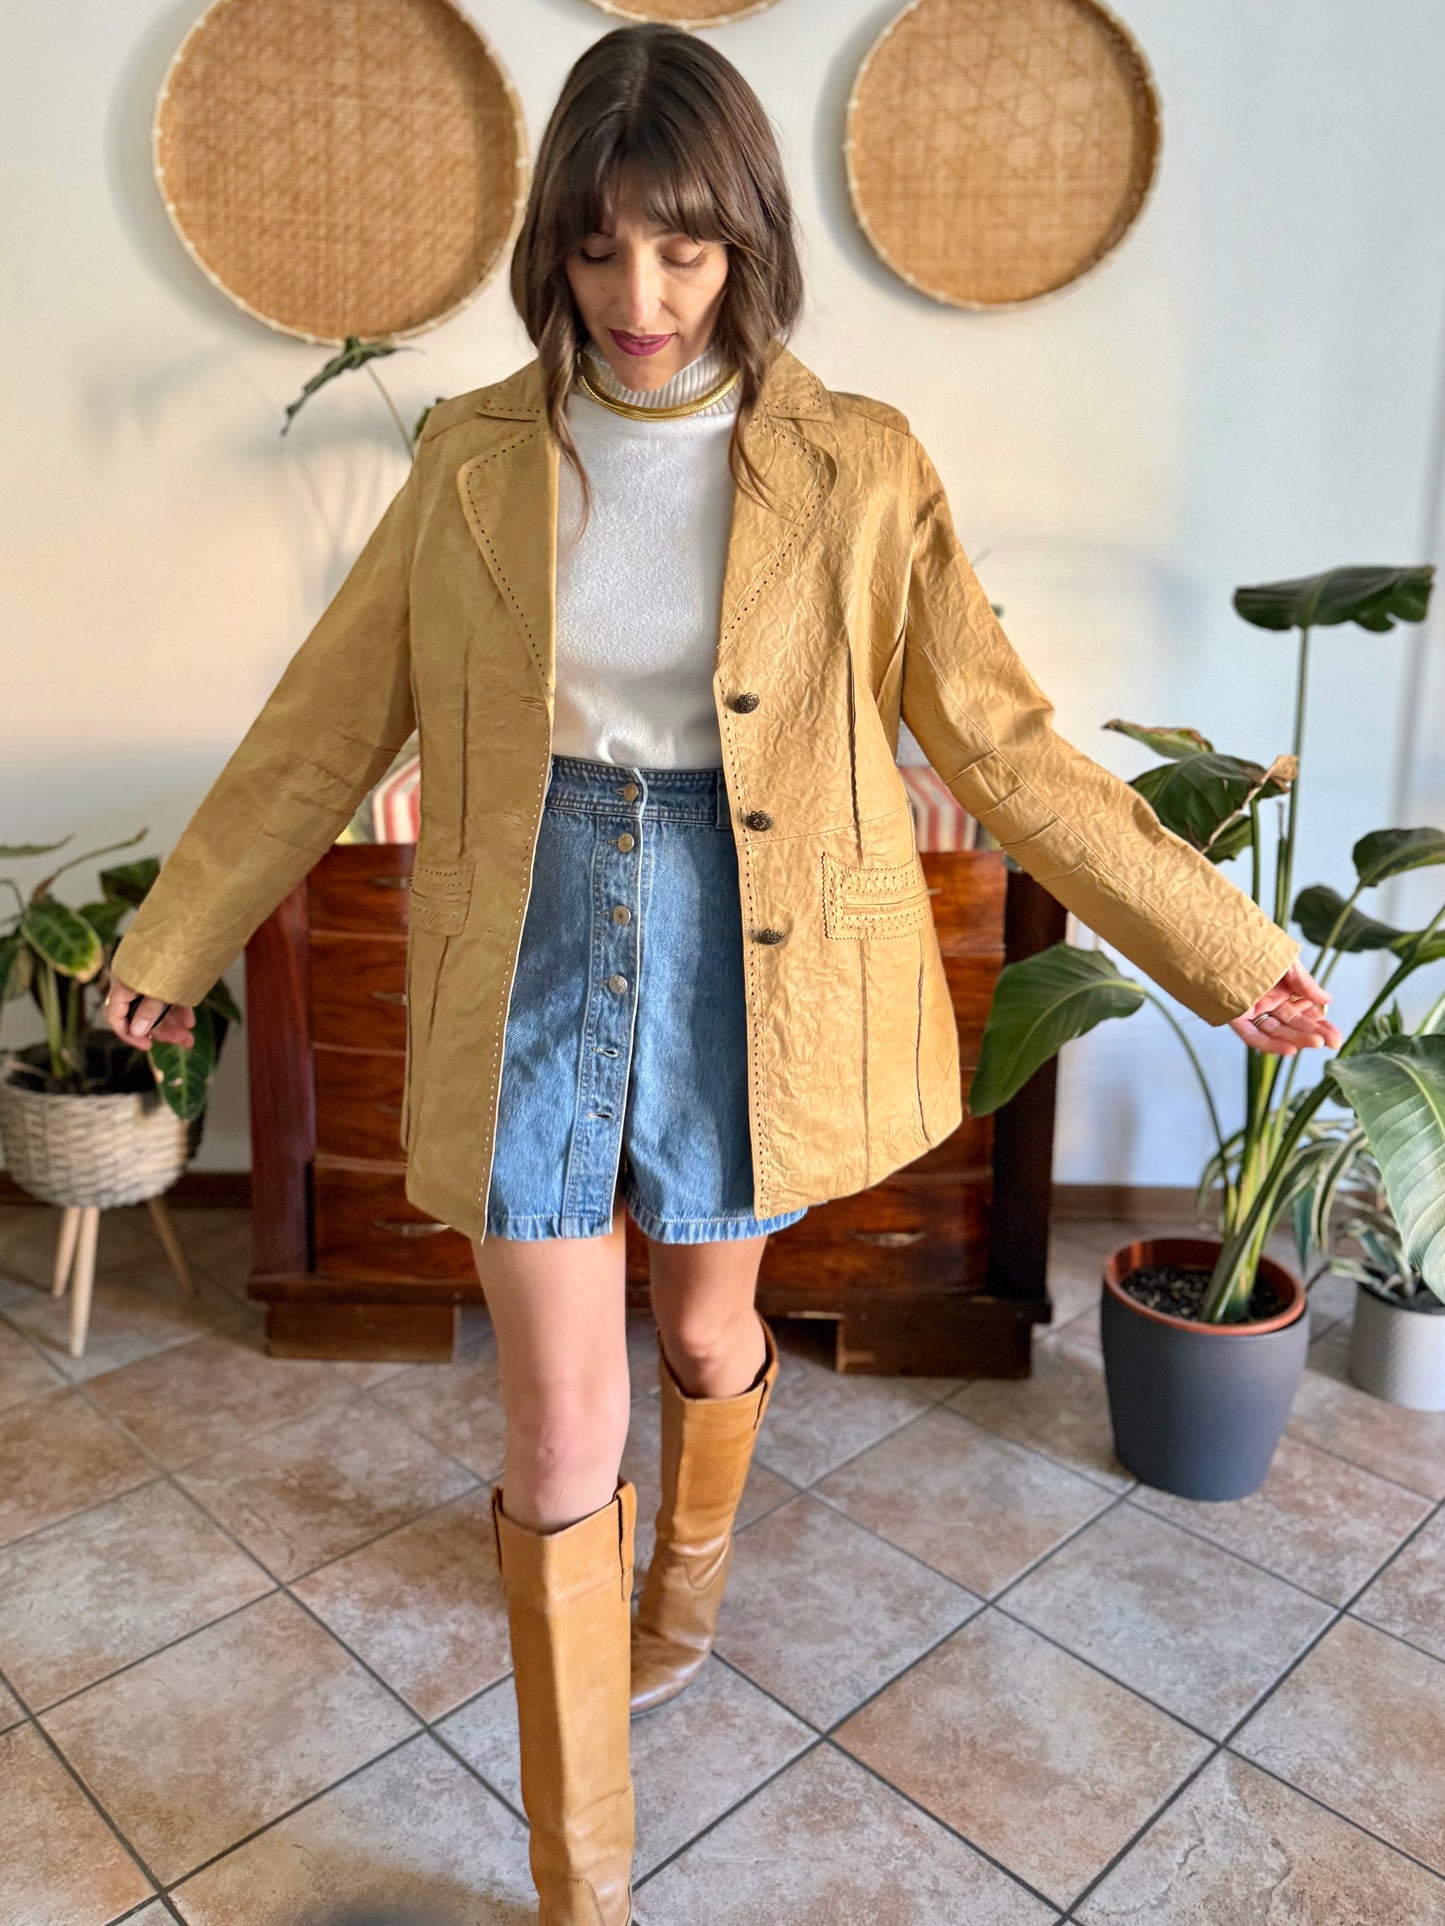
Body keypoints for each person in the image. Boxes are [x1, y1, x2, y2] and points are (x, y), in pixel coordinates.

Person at [105, 24, 1341, 1924]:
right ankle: (579, 1877)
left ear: (745, 241)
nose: (639, 298)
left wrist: (1216, 943)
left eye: (680, 251)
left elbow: (998, 743)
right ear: (554, 253)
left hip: (743, 940)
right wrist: (173, 941)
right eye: (597, 252)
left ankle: (679, 1585)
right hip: (524, 926)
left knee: (699, 1337)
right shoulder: (469, 457)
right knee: (554, 1418)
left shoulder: (861, 467)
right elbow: (319, 722)